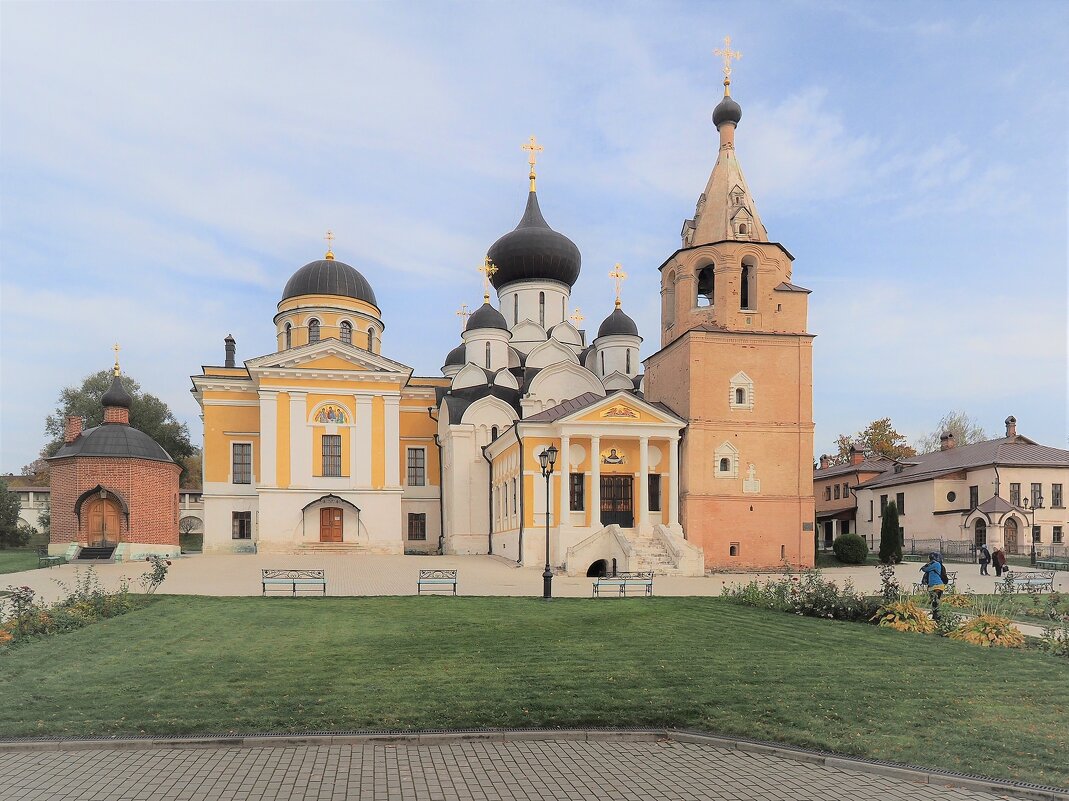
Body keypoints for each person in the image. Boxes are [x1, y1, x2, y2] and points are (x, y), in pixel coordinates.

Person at [920, 552, 947, 621]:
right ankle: (935, 616)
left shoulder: (936, 564)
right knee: (934, 601)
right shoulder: (933, 564)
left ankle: (937, 617)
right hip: (933, 586)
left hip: (937, 586)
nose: (928, 560)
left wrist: (928, 564)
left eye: (929, 558)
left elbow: (924, 569)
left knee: (935, 601)